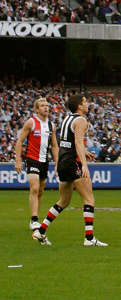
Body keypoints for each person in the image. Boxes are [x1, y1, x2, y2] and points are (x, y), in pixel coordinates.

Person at [32, 93, 107, 247]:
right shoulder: (81, 120)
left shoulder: (67, 119)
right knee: (89, 198)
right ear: (79, 106)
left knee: (64, 201)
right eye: (85, 101)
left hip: (63, 162)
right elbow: (78, 143)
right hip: (74, 163)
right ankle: (89, 238)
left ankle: (41, 230)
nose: (87, 104)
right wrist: (84, 164)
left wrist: (84, 153)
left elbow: (68, 142)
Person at [14, 96, 59, 230]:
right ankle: (34, 219)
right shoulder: (31, 123)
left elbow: (54, 146)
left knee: (40, 191)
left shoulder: (52, 125)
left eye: (47, 106)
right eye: (43, 106)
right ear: (37, 109)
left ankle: (36, 218)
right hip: (32, 159)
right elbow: (20, 141)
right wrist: (18, 160)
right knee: (34, 188)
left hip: (44, 161)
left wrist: (57, 163)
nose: (46, 108)